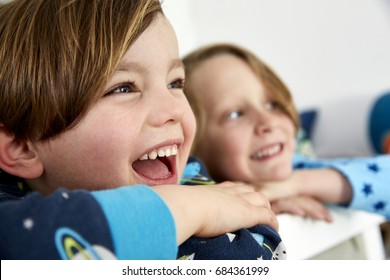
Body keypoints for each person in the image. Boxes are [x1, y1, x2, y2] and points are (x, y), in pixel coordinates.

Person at [0, 0, 284, 260]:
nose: (173, 110)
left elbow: (260, 243)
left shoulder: (189, 175)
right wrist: (192, 208)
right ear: (23, 147)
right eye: (123, 88)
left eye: (175, 83)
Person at [182, 43, 390, 221]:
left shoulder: (299, 167)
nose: (267, 121)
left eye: (273, 104)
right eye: (235, 114)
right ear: (195, 147)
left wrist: (296, 184)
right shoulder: (194, 205)